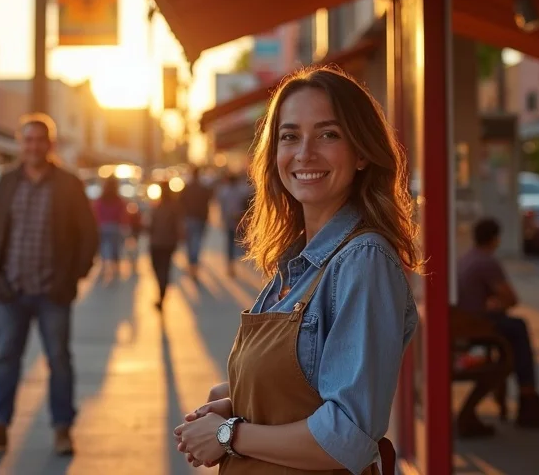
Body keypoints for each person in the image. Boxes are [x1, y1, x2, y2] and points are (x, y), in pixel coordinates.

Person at [174, 65, 419, 474]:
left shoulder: (362, 260)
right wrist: (237, 399)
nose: (305, 153)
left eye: (328, 134)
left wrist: (228, 434)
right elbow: (308, 386)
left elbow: (347, 437)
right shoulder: (297, 263)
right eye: (289, 136)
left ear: (361, 153)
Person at [0, 113, 99, 456]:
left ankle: (62, 429)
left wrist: (74, 277)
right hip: (11, 290)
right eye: (27, 140)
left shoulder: (68, 184)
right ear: (20, 143)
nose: (33, 146)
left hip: (52, 292)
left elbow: (88, 234)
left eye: (39, 140)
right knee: (6, 357)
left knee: (58, 359)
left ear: (49, 145)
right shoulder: (8, 182)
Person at [456, 217, 539, 431]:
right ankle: (527, 394)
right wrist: (498, 303)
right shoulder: (487, 262)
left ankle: (526, 396)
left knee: (513, 328)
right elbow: (511, 298)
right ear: (494, 239)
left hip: (464, 320)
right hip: (476, 324)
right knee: (518, 328)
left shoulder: (467, 258)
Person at [148, 181, 183, 310]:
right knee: (164, 268)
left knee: (159, 268)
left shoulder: (159, 206)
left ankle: (162, 291)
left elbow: (150, 225)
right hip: (167, 242)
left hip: (158, 243)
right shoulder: (172, 207)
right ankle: (162, 291)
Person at [216, 172, 254, 278]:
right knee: (242, 243)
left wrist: (222, 219)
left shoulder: (224, 192)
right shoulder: (241, 191)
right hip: (239, 221)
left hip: (230, 221)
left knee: (230, 244)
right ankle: (239, 264)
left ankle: (230, 266)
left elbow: (222, 208)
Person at [179, 165, 213, 279]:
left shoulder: (187, 188)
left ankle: (192, 265)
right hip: (199, 219)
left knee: (190, 243)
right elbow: (207, 204)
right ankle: (194, 265)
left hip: (189, 218)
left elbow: (181, 203)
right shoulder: (203, 188)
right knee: (196, 243)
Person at [93, 175, 128, 281]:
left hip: (102, 227)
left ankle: (104, 266)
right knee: (115, 249)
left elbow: (96, 213)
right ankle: (116, 269)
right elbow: (123, 215)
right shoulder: (119, 200)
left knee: (103, 247)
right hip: (115, 227)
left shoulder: (100, 199)